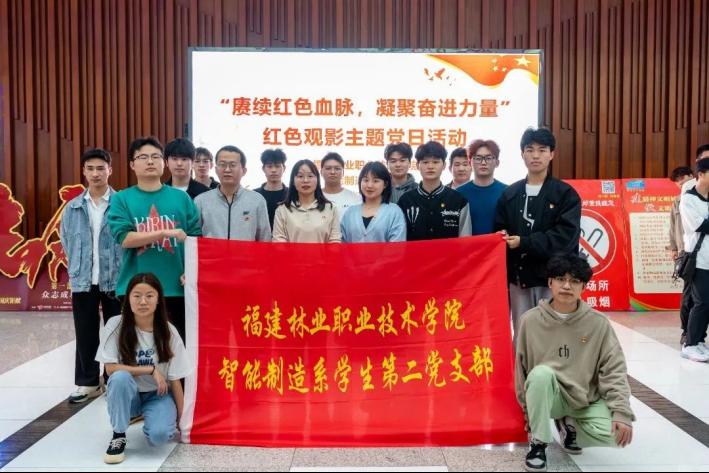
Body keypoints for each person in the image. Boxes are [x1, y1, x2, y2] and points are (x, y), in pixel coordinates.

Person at [515, 254, 634, 472]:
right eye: (561, 279)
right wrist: (528, 414)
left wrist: (621, 412)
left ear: (584, 287)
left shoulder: (598, 323)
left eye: (575, 281)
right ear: (550, 282)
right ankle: (539, 443)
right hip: (549, 396)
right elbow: (520, 372)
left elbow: (614, 369)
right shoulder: (529, 321)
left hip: (583, 399)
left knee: (617, 436)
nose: (567, 286)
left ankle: (569, 425)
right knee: (540, 374)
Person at [108, 137, 202, 343]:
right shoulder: (121, 199)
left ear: (163, 162)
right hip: (136, 288)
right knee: (138, 348)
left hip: (177, 288)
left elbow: (196, 240)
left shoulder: (182, 198)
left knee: (177, 348)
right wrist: (163, 233)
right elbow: (125, 238)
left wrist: (191, 270)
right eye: (143, 157)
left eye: (155, 156)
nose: (150, 161)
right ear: (132, 164)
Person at [495, 127, 581, 343]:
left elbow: (565, 237)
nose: (535, 155)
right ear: (522, 154)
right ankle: (522, 368)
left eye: (542, 150)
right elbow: (499, 229)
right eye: (529, 150)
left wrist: (524, 243)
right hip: (519, 280)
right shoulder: (510, 194)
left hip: (553, 280)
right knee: (522, 335)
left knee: (555, 336)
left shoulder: (565, 194)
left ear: (551, 154)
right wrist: (501, 236)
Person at [97, 273, 191, 464]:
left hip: (158, 394)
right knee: (120, 377)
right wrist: (150, 370)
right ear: (128, 299)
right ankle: (118, 435)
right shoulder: (115, 324)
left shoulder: (168, 331)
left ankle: (149, 414)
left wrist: (183, 423)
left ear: (158, 300)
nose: (143, 301)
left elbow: (175, 380)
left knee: (160, 436)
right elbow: (110, 369)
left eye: (149, 295)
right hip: (128, 394)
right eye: (137, 295)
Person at [60, 148, 123, 404]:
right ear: (84, 172)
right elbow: (66, 241)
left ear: (110, 170)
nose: (96, 174)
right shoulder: (73, 207)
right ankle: (88, 382)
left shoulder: (121, 203)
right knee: (85, 332)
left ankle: (114, 379)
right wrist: (78, 267)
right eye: (90, 169)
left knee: (116, 331)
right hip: (84, 279)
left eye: (100, 168)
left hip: (115, 278)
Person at [397, 141, 472, 240]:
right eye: (425, 162)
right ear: (418, 165)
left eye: (435, 162)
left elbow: (465, 240)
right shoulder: (405, 200)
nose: (430, 166)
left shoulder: (459, 200)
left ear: (444, 165)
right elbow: (399, 239)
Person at [194, 145, 271, 241]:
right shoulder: (201, 201)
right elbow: (194, 238)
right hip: (212, 251)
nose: (227, 170)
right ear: (216, 170)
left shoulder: (257, 200)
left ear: (244, 171)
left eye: (233, 165)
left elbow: (265, 239)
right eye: (222, 165)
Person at [679, 157, 709, 362]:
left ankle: (699, 341)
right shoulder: (688, 199)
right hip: (699, 260)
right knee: (701, 302)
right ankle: (689, 344)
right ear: (701, 174)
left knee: (707, 304)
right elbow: (699, 226)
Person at [272, 159, 341, 243]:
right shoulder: (282, 210)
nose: (305, 180)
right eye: (300, 176)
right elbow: (278, 242)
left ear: (317, 180)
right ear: (293, 181)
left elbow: (335, 240)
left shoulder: (331, 209)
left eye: (310, 176)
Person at [340, 162, 406, 243]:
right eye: (366, 180)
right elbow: (342, 243)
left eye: (375, 181)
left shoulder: (394, 212)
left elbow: (397, 246)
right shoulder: (350, 212)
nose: (369, 185)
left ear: (385, 184)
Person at [456, 139, 508, 235]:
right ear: (470, 162)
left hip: (498, 245)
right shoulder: (458, 194)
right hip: (467, 244)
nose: (483, 163)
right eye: (478, 158)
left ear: (497, 162)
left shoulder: (507, 192)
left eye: (488, 158)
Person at [669, 166, 695, 345]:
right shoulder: (677, 201)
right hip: (685, 252)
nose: (681, 183)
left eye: (683, 178)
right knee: (688, 294)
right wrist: (673, 248)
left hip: (703, 250)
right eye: (677, 181)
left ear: (693, 176)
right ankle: (686, 331)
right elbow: (672, 226)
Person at [254, 148, 288, 230]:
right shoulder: (255, 195)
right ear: (263, 169)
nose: (273, 170)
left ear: (284, 168)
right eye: (269, 166)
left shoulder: (291, 194)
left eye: (277, 166)